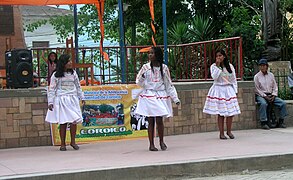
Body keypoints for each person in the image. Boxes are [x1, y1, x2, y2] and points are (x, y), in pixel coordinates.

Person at [135, 47, 180, 151]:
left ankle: (161, 141)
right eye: (149, 53)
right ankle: (151, 144)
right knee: (150, 120)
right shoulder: (145, 67)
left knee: (159, 120)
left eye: (152, 53)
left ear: (157, 55)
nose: (150, 55)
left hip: (160, 95)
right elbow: (138, 82)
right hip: (149, 95)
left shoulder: (164, 68)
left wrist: (175, 98)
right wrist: (142, 77)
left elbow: (169, 84)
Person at [45, 54, 84, 151]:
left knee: (74, 121)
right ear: (63, 63)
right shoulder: (56, 75)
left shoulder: (73, 73)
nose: (70, 63)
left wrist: (82, 97)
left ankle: (73, 142)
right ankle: (63, 143)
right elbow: (52, 89)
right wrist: (50, 102)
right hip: (62, 99)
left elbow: (78, 86)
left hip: (72, 99)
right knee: (63, 122)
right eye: (68, 61)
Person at [203, 49, 241, 140]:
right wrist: (218, 66)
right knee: (221, 113)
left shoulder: (230, 66)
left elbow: (233, 79)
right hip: (218, 90)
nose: (218, 57)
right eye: (217, 56)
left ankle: (229, 131)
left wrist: (235, 91)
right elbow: (214, 77)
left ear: (224, 56)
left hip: (228, 90)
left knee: (230, 113)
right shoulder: (213, 66)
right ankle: (221, 133)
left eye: (220, 55)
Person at [254, 58, 287, 129]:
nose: (262, 67)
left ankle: (281, 121)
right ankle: (264, 122)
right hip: (261, 95)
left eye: (264, 65)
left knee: (283, 103)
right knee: (263, 104)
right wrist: (265, 96)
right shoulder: (256, 76)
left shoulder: (271, 75)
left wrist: (274, 95)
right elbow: (257, 89)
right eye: (261, 66)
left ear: (267, 66)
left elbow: (275, 86)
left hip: (271, 94)